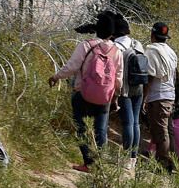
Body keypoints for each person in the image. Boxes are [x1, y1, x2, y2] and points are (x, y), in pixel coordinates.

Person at [50, 17, 122, 172]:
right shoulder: (117, 51)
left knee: (81, 128)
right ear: (112, 33)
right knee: (101, 130)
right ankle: (99, 164)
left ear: (97, 29)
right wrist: (114, 95)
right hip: (104, 97)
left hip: (82, 94)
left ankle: (88, 163)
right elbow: (119, 78)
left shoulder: (86, 46)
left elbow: (72, 67)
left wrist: (56, 77)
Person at [141, 21, 179, 173]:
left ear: (152, 35)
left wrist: (144, 98)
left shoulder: (151, 51)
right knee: (166, 130)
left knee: (160, 131)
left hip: (158, 96)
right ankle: (169, 161)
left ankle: (165, 164)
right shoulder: (171, 52)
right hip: (169, 94)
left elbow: (150, 76)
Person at [111, 13, 146, 157]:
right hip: (139, 87)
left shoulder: (116, 47)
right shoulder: (137, 44)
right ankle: (134, 156)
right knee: (136, 122)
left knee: (128, 123)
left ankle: (127, 154)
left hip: (124, 89)